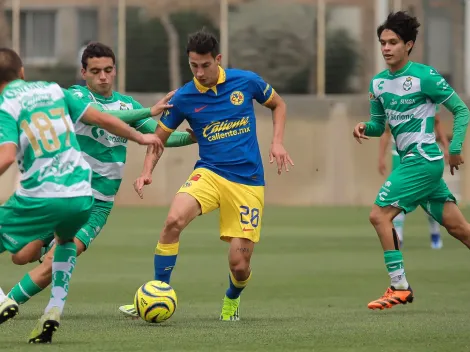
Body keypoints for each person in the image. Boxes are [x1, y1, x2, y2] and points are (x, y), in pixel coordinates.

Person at [5, 42, 197, 312]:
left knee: (53, 261)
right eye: (96, 71)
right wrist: (147, 110)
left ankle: (8, 303)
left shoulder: (127, 104)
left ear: (115, 70)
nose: (103, 76)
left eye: (108, 70)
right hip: (62, 193)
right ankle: (48, 241)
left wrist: (194, 136)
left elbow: (160, 136)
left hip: (96, 204)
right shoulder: (76, 97)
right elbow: (102, 117)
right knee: (20, 256)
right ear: (84, 73)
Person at [119, 30, 293, 321]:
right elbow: (158, 139)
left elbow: (279, 104)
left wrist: (276, 142)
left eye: (205, 65)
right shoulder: (185, 97)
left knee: (239, 265)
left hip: (247, 182)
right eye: (193, 66)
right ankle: (156, 291)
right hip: (209, 173)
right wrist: (146, 172)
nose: (199, 72)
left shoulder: (245, 81)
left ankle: (231, 300)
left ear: (218, 60)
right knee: (173, 221)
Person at [353, 11, 470, 310]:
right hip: (410, 162)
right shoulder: (378, 84)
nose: (386, 48)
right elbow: (381, 125)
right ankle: (400, 286)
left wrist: (455, 147)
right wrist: (366, 127)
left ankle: (400, 287)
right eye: (382, 42)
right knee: (460, 230)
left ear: (409, 44)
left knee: (379, 216)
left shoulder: (425, 76)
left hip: (423, 160)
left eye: (393, 42)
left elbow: (461, 110)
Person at [377, 105, 449, 249]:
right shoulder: (391, 95)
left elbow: (437, 122)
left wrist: (446, 146)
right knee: (397, 195)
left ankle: (434, 232)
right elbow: (386, 130)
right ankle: (398, 237)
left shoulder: (425, 91)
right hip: (400, 155)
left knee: (428, 194)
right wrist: (381, 156)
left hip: (423, 154)